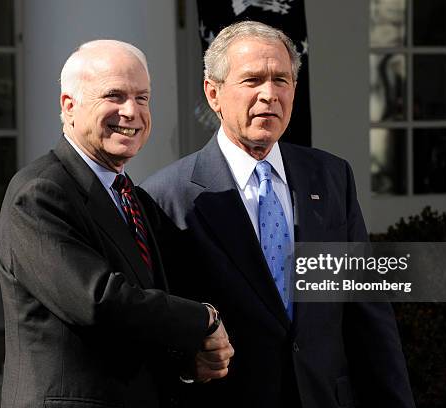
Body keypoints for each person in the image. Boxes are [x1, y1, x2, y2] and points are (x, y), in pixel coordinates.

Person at [142, 22, 415, 408]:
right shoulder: (167, 197)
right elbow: (157, 324)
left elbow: (368, 314)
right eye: (252, 80)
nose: (269, 94)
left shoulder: (332, 176)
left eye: (281, 80)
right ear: (213, 93)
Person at [0, 40, 233, 408]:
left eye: (142, 98)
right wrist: (203, 318)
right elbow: (100, 302)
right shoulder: (40, 193)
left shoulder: (129, 196)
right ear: (69, 106)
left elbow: (149, 302)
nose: (131, 112)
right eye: (114, 95)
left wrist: (191, 360)